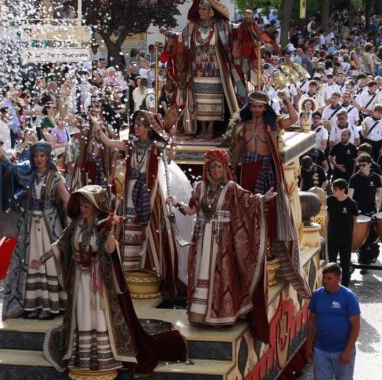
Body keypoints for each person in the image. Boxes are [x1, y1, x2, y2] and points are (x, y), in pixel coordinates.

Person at [42, 185, 187, 375]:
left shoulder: (102, 226)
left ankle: (104, 354)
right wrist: (41, 259)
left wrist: (109, 230)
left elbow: (111, 251)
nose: (83, 209)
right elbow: (60, 244)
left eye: (87, 205)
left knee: (100, 315)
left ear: (96, 206)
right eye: (82, 205)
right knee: (82, 311)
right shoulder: (76, 224)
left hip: (99, 279)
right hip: (80, 279)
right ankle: (82, 354)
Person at [170, 150, 275, 338]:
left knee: (222, 275)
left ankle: (220, 315)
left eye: (219, 166)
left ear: (225, 168)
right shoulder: (199, 187)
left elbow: (248, 201)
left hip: (222, 240)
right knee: (201, 272)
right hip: (202, 239)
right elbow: (192, 210)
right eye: (213, 166)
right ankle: (200, 314)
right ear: (208, 168)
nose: (216, 169)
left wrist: (262, 199)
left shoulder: (231, 188)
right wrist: (176, 204)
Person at [95, 111, 184, 301]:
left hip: (149, 193)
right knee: (128, 227)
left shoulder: (155, 145)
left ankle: (149, 271)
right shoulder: (131, 144)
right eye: (136, 124)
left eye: (141, 124)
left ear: (149, 127)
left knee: (150, 229)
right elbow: (110, 143)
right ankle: (127, 273)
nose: (137, 127)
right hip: (130, 193)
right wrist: (98, 130)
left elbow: (171, 153)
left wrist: (170, 133)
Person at [231, 91, 307, 297]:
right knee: (246, 209)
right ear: (249, 107)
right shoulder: (242, 128)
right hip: (247, 169)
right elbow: (237, 152)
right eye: (254, 106)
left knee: (268, 210)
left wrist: (286, 100)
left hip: (265, 169)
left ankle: (267, 247)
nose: (257, 110)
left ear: (266, 108)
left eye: (261, 106)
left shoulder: (271, 126)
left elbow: (294, 119)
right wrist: (233, 171)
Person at [0, 135, 69, 320]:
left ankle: (52, 305)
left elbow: (67, 200)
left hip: (50, 227)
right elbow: (6, 164)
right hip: (31, 226)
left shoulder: (56, 178)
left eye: (42, 156)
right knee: (31, 261)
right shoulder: (28, 175)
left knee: (49, 261)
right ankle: (34, 303)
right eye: (36, 156)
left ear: (48, 157)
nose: (38, 159)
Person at [161, 0, 246, 138]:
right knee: (198, 101)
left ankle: (211, 129)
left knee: (214, 100)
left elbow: (236, 29)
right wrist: (168, 34)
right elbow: (179, 37)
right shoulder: (193, 26)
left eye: (204, 9)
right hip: (197, 70)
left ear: (211, 11)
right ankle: (202, 128)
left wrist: (247, 24)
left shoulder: (221, 25)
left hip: (215, 69)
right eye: (199, 8)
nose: (200, 11)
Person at [305, 263, 361, 380]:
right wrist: (308, 346)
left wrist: (347, 351)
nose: (325, 281)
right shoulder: (317, 296)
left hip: (343, 352)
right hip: (322, 349)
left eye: (329, 278)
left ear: (338, 278)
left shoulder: (348, 297)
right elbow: (312, 321)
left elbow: (356, 326)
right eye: (323, 277)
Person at [326, 179, 359, 286]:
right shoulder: (330, 200)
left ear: (342, 190)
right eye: (332, 188)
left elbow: (354, 219)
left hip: (345, 237)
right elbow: (327, 217)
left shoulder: (351, 203)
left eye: (335, 189)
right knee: (331, 262)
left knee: (345, 264)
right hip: (332, 236)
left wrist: (351, 232)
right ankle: (332, 284)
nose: (333, 191)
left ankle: (345, 286)